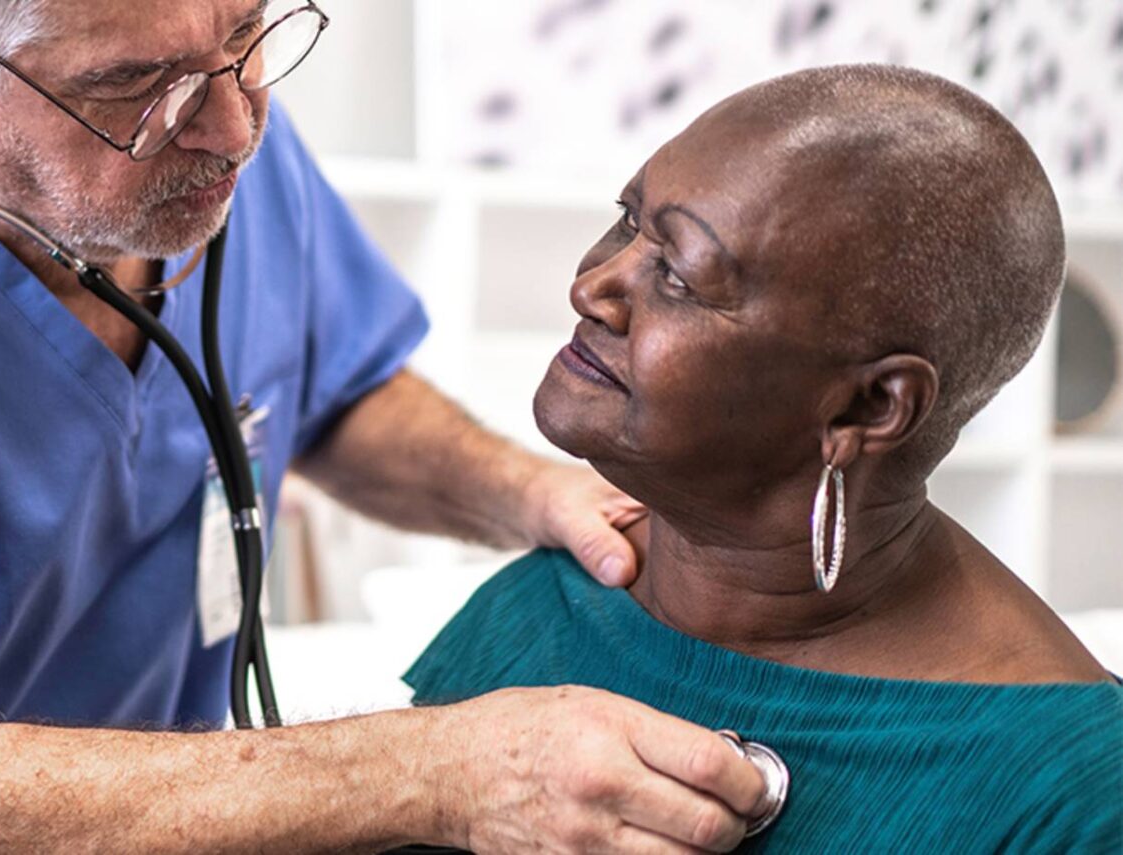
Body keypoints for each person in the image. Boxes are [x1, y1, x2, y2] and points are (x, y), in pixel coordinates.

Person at [0, 1, 772, 851]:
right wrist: (442, 773)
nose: (234, 126)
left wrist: (531, 493)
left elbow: (335, 390)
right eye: (134, 90)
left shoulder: (216, 135)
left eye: (248, 34)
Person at [404, 64, 1123, 852]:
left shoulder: (1071, 792)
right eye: (626, 220)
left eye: (677, 275)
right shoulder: (553, 598)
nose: (594, 288)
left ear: (868, 407)